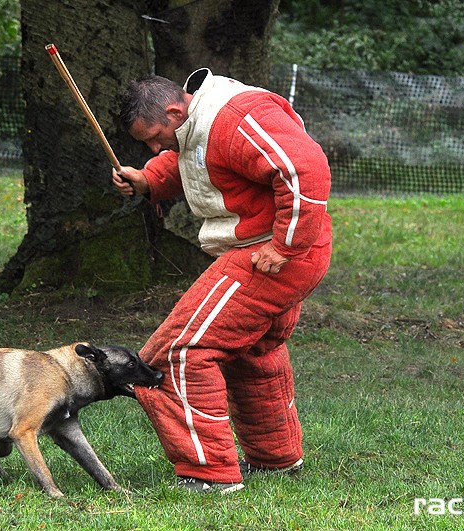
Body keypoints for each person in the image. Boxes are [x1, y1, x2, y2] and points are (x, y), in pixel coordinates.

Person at [112, 68, 332, 493]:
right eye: (148, 145)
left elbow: (306, 172)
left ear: (176, 110)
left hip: (273, 253)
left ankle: (207, 473)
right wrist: (148, 179)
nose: (156, 147)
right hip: (273, 248)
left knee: (178, 353)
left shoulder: (236, 117)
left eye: (156, 137)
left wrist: (284, 247)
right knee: (253, 350)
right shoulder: (196, 124)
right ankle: (275, 458)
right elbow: (195, 161)